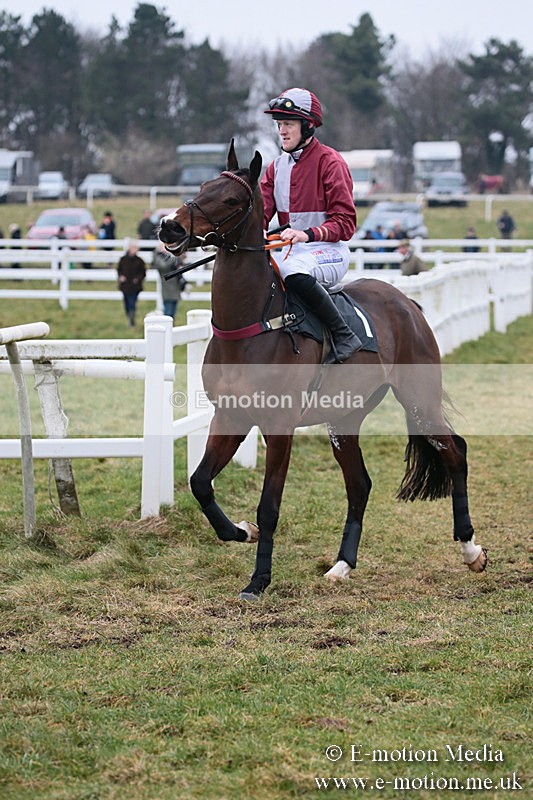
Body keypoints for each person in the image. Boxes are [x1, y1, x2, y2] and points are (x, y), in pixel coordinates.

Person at [260, 87, 362, 362]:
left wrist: (307, 234)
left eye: (288, 124)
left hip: (329, 252)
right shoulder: (275, 167)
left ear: (308, 126)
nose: (282, 131)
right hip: (289, 252)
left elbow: (346, 224)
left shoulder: (331, 162)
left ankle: (344, 335)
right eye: (279, 124)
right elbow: (261, 214)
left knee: (290, 270)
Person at [152, 242, 186, 321]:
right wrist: (175, 257)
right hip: (167, 289)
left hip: (175, 288)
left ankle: (171, 327)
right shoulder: (158, 257)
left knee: (172, 313)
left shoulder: (168, 257)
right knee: (168, 313)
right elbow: (164, 266)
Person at [117, 242, 146, 327]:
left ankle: (131, 319)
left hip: (135, 286)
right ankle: (129, 317)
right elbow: (119, 270)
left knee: (132, 303)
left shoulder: (139, 261)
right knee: (126, 303)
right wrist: (121, 277)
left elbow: (143, 273)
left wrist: (138, 279)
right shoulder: (123, 260)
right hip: (125, 285)